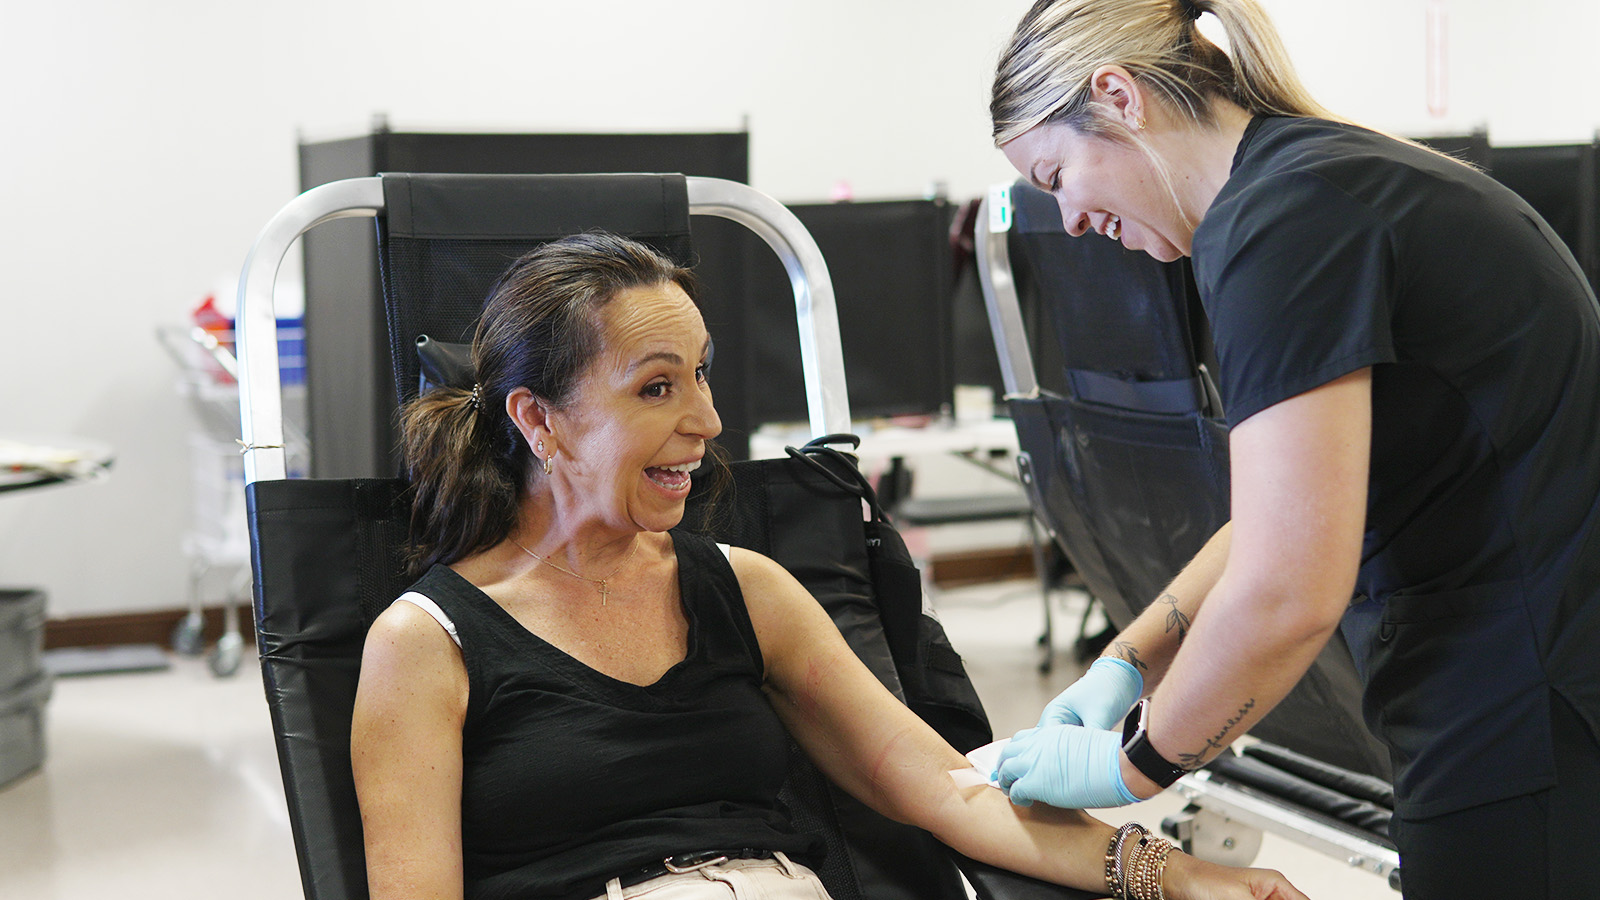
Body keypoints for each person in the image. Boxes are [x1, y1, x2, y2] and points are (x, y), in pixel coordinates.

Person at [349, 232, 1309, 900]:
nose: (708, 420)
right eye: (656, 387)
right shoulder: (428, 645)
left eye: (703, 373)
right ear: (537, 419)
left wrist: (1174, 875)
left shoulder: (745, 590)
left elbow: (942, 789)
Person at [986, 1, 1600, 898]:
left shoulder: (1283, 222)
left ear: (1117, 97)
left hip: (1522, 701)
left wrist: (1134, 766)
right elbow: (1285, 510)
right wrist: (1129, 658)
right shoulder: (1313, 181)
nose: (1069, 221)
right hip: (1522, 678)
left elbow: (1287, 592)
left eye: (1055, 173)